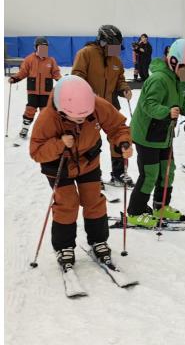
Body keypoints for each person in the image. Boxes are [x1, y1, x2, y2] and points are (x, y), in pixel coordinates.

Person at [29, 75, 132, 269]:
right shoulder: (48, 117)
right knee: (67, 204)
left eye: (85, 116)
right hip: (58, 165)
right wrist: (60, 144)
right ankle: (64, 246)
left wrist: (123, 143)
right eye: (77, 118)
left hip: (88, 161)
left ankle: (98, 240)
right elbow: (36, 151)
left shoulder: (96, 104)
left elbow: (117, 127)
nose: (82, 120)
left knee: (93, 200)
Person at [126, 39, 185, 227]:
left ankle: (160, 206)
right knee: (150, 174)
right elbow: (148, 105)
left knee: (167, 171)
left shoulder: (177, 81)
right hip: (147, 134)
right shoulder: (158, 79)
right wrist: (166, 112)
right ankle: (135, 212)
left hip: (164, 135)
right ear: (174, 62)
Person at [72, 24, 134, 187]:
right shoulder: (85, 54)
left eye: (118, 47)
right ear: (103, 42)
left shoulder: (116, 61)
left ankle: (119, 173)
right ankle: (93, 176)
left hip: (110, 106)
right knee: (91, 142)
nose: (116, 50)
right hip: (89, 107)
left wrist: (125, 89)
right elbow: (77, 77)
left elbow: (120, 79)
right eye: (113, 46)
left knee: (118, 138)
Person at [8, 36, 61, 139]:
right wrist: (15, 78)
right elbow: (23, 72)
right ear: (36, 48)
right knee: (30, 109)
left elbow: (56, 73)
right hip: (33, 90)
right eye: (41, 47)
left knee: (46, 112)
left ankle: (47, 131)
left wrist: (61, 80)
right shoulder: (29, 59)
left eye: (45, 47)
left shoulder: (51, 60)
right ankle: (25, 128)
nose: (43, 49)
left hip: (46, 91)